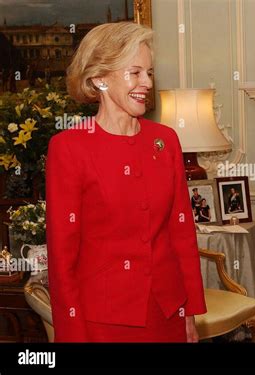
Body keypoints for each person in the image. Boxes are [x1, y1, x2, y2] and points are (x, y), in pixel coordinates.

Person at [46, 22, 206, 343]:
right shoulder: (69, 148)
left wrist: (189, 312)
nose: (146, 82)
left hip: (167, 312)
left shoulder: (165, 141)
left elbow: (181, 234)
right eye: (135, 73)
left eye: (148, 72)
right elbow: (62, 261)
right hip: (104, 321)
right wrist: (73, 334)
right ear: (100, 79)